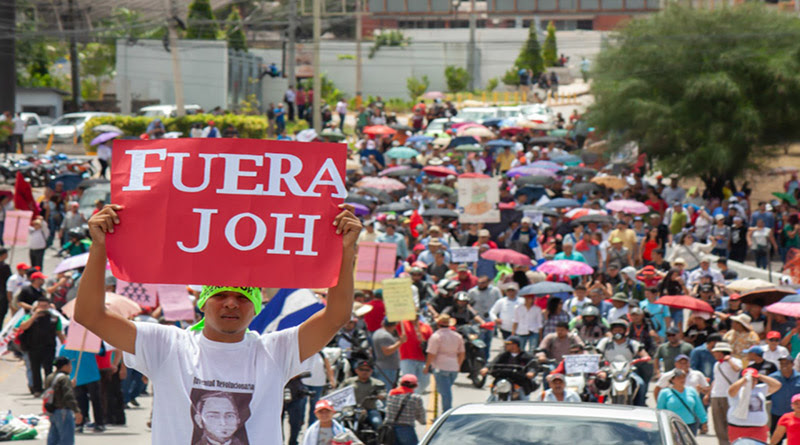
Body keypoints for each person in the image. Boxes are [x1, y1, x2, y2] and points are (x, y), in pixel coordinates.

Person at [73, 204, 361, 443]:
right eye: (220, 295)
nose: (231, 303)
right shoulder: (166, 345)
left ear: (256, 309)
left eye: (242, 297)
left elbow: (335, 316)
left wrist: (346, 252)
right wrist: (99, 247)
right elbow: (90, 315)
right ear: (203, 302)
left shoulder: (276, 350)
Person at [16, 298, 65, 396]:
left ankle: (49, 389)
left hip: (49, 347)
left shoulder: (54, 318)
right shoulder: (29, 316)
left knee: (48, 369)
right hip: (33, 347)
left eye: (45, 306)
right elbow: (23, 326)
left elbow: (59, 333)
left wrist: (65, 345)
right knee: (35, 369)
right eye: (41, 306)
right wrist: (34, 316)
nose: (43, 308)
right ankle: (37, 389)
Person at [596, 319, 650, 406]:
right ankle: (599, 405)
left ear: (625, 331)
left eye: (620, 330)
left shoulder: (633, 343)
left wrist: (643, 358)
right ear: (611, 331)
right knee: (599, 382)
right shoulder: (605, 342)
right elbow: (596, 355)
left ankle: (640, 405)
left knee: (640, 383)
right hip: (608, 370)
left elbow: (644, 354)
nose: (617, 332)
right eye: (615, 330)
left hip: (628, 371)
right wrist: (601, 366)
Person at [726, 368, 782, 443]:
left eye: (754, 379)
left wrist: (760, 376)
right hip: (738, 428)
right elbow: (731, 391)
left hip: (758, 429)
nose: (752, 381)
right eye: (750, 379)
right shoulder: (738, 389)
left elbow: (777, 385)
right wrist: (744, 379)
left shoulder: (760, 389)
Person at [424, 314, 465, 413]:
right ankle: (445, 412)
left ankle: (446, 413)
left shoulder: (436, 336)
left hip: (440, 367)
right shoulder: (457, 336)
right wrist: (458, 365)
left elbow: (431, 353)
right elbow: (462, 353)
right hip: (453, 367)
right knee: (445, 391)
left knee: (445, 393)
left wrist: (427, 366)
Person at [708, 342, 742, 445]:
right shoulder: (717, 364)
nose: (714, 354)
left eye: (716, 352)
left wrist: (729, 360)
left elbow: (737, 369)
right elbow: (716, 379)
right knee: (718, 423)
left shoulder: (735, 361)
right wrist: (708, 393)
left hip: (729, 395)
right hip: (716, 395)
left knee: (730, 421)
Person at [656, 369, 708, 435]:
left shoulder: (691, 391)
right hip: (672, 425)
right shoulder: (665, 393)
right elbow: (660, 410)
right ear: (672, 379)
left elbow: (699, 408)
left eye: (683, 377)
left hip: (690, 425)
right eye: (679, 377)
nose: (682, 379)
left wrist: (704, 422)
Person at [45, 357, 82, 445]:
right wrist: (76, 411)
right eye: (70, 365)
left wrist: (70, 385)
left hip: (52, 411)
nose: (71, 367)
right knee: (66, 440)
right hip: (64, 411)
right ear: (65, 366)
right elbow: (68, 396)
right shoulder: (64, 379)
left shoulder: (50, 377)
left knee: (53, 439)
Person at [343, 360, 386, 430]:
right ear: (356, 370)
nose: (364, 372)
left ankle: (380, 439)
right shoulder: (348, 382)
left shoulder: (377, 383)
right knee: (338, 420)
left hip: (369, 409)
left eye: (367, 370)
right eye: (361, 369)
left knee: (377, 422)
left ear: (371, 371)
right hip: (351, 409)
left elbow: (382, 392)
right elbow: (338, 393)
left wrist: (381, 395)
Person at [384, 374, 426, 445]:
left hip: (389, 429)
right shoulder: (415, 398)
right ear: (415, 386)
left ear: (400, 383)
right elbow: (420, 414)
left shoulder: (391, 393)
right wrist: (423, 422)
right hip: (406, 429)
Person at [769, 352, 800, 439]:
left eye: (786, 363)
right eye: (781, 363)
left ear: (793, 364)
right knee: (775, 439)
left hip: (795, 416)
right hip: (777, 414)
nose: (784, 365)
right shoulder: (772, 378)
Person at [372, 318, 403, 389]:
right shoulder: (384, 336)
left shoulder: (378, 332)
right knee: (385, 390)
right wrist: (400, 342)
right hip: (387, 368)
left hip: (384, 367)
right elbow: (387, 351)